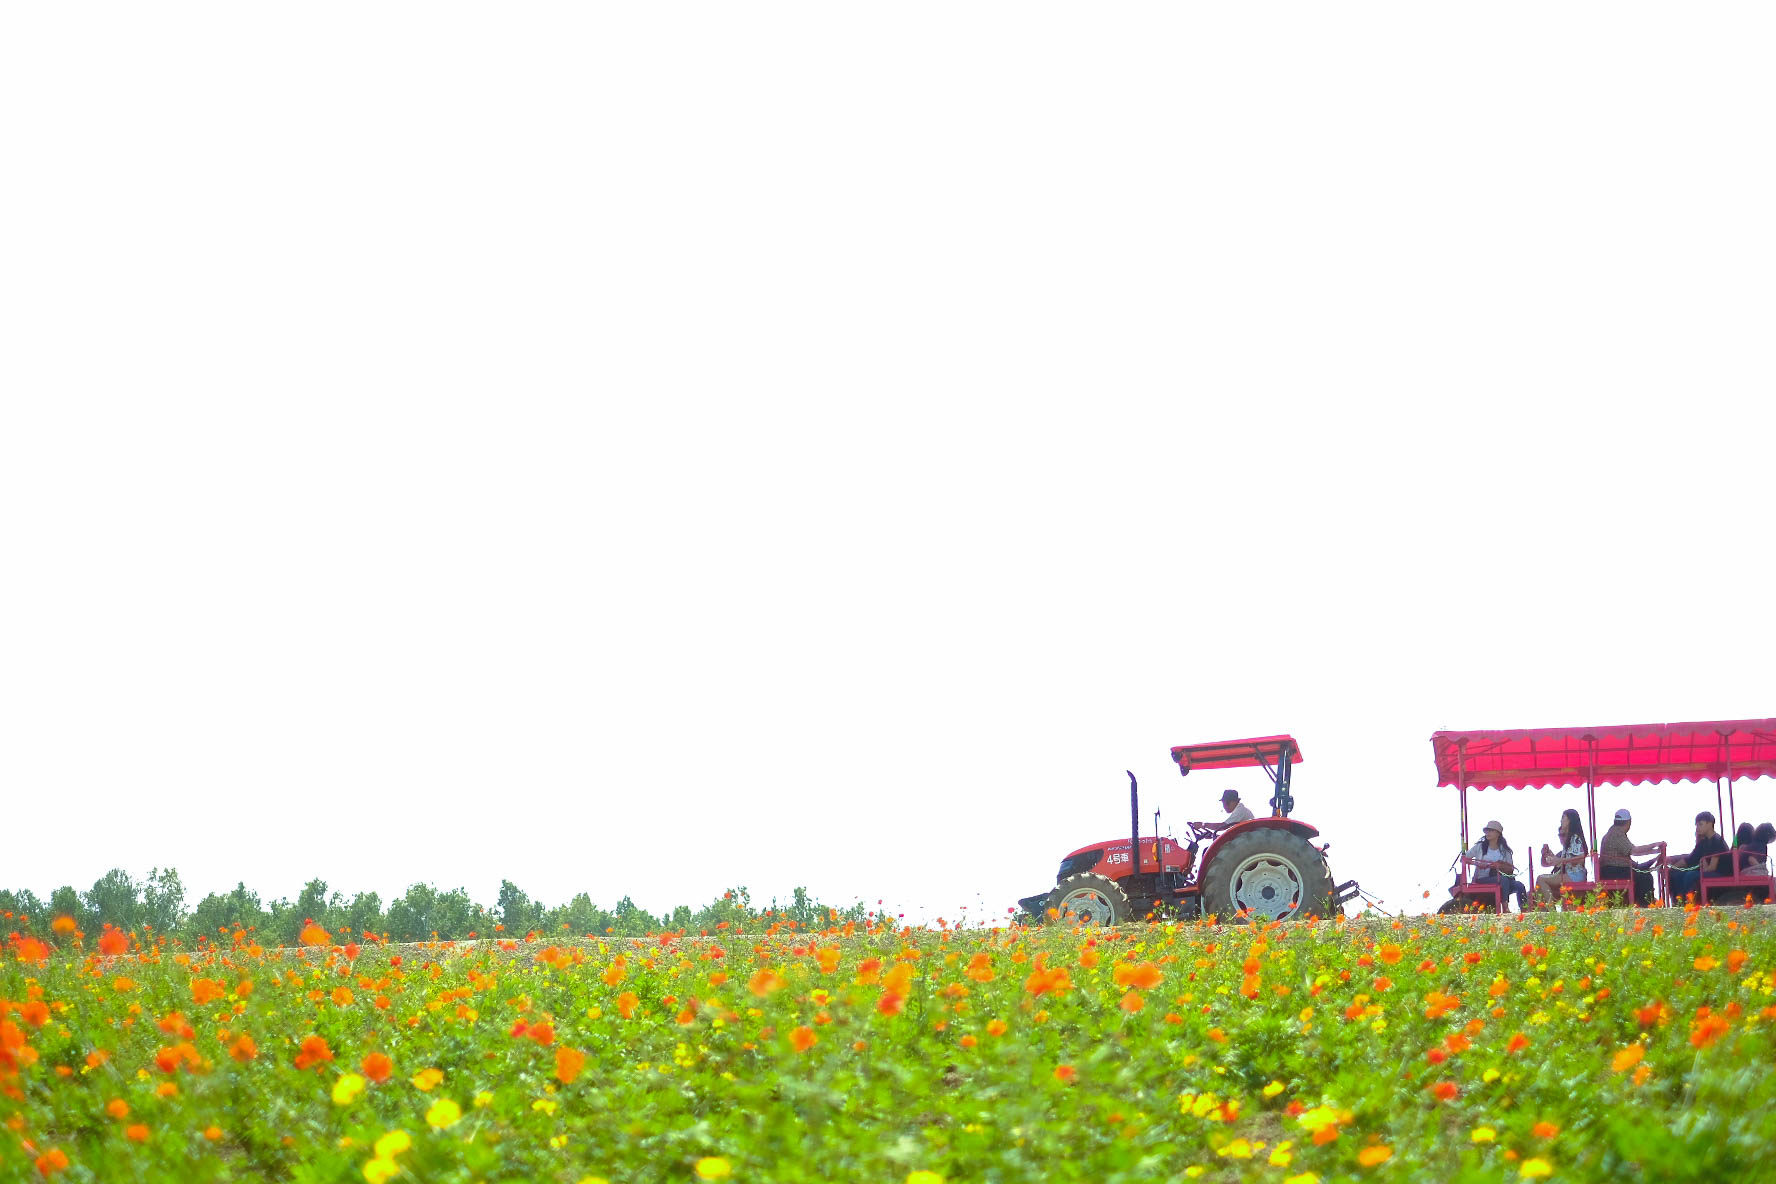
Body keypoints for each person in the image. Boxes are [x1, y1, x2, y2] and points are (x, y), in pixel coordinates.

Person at [1466, 820, 1528, 912]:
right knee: (1503, 880)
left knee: (1519, 885)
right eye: (1487, 830)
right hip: (1483, 878)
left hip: (1501, 878)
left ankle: (1525, 910)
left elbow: (1510, 868)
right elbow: (1465, 859)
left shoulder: (1505, 850)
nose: (1488, 833)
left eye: (1491, 830)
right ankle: (1505, 908)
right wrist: (1478, 864)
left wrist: (1499, 865)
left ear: (1498, 833)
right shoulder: (1480, 847)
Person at [1668, 811, 1730, 901]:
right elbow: (1690, 859)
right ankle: (1678, 900)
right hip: (1707, 871)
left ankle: (1687, 901)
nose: (1698, 828)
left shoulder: (1717, 841)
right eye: (1696, 825)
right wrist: (1673, 867)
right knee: (1677, 874)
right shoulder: (1703, 843)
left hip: (1720, 873)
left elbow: (1712, 868)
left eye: (1701, 824)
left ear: (1710, 824)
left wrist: (1702, 864)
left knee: (1690, 875)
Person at [1598, 808, 1654, 905]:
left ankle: (1639, 903)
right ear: (1629, 822)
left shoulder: (1611, 833)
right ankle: (1644, 906)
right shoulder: (1617, 834)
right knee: (1645, 877)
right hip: (1614, 871)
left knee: (1642, 872)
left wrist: (1654, 852)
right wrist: (1654, 846)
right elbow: (1634, 851)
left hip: (1611, 870)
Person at [1536, 808, 1588, 902]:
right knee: (1540, 883)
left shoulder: (1575, 838)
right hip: (1570, 874)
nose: (1561, 820)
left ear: (1570, 820)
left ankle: (1551, 909)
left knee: (1541, 879)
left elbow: (1581, 858)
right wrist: (1548, 854)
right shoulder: (1569, 841)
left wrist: (1561, 860)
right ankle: (1546, 908)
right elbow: (1554, 862)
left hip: (1575, 875)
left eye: (1563, 818)